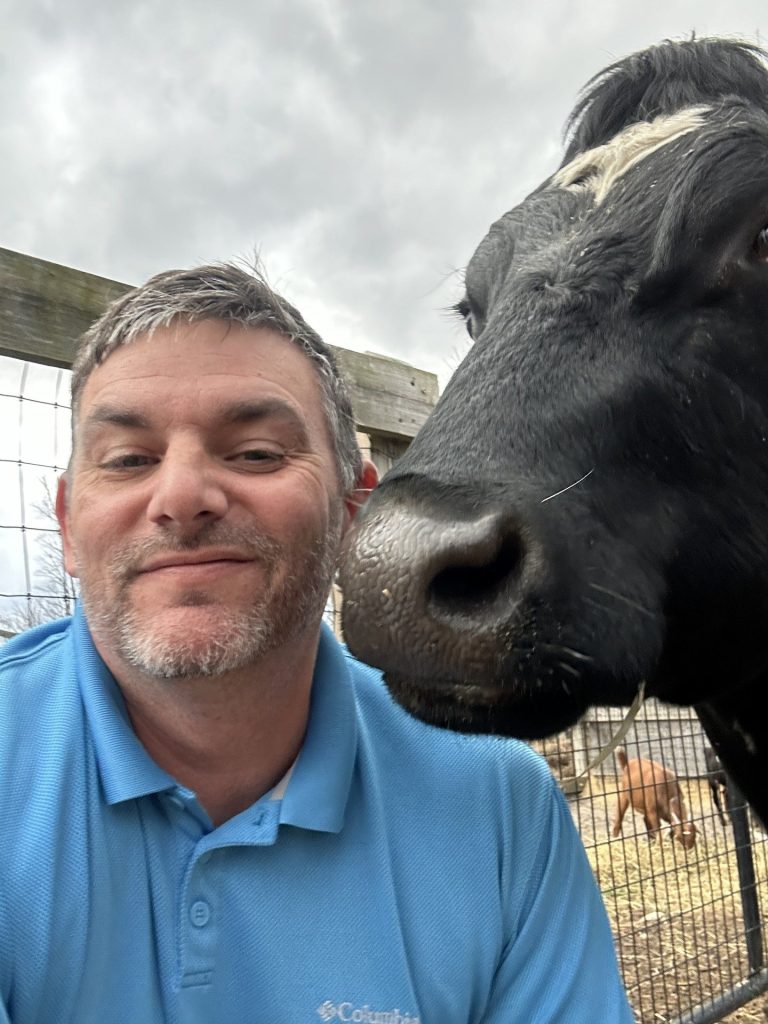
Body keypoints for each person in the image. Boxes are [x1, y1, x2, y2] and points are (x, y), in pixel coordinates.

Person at [0, 262, 635, 1023]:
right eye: (129, 460)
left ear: (352, 511)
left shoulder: (499, 804)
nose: (180, 500)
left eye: (257, 453)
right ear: (70, 526)